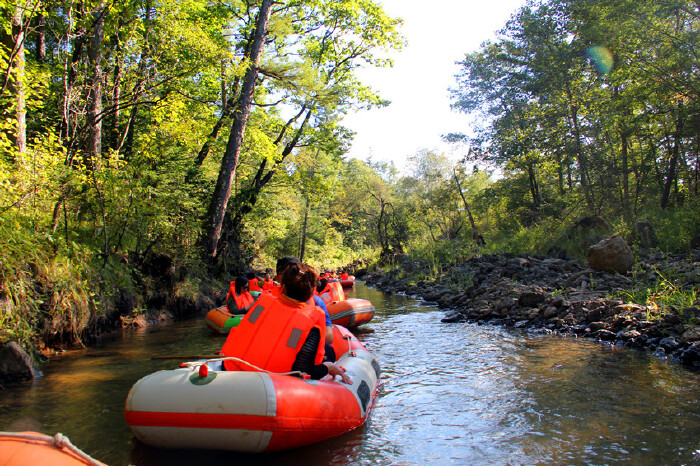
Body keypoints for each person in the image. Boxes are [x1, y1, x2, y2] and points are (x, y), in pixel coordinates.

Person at [221, 263, 350, 383]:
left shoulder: (260, 306)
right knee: (329, 353)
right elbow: (304, 371)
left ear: (282, 287)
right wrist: (328, 368)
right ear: (311, 294)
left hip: (229, 371)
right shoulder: (309, 324)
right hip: (269, 386)